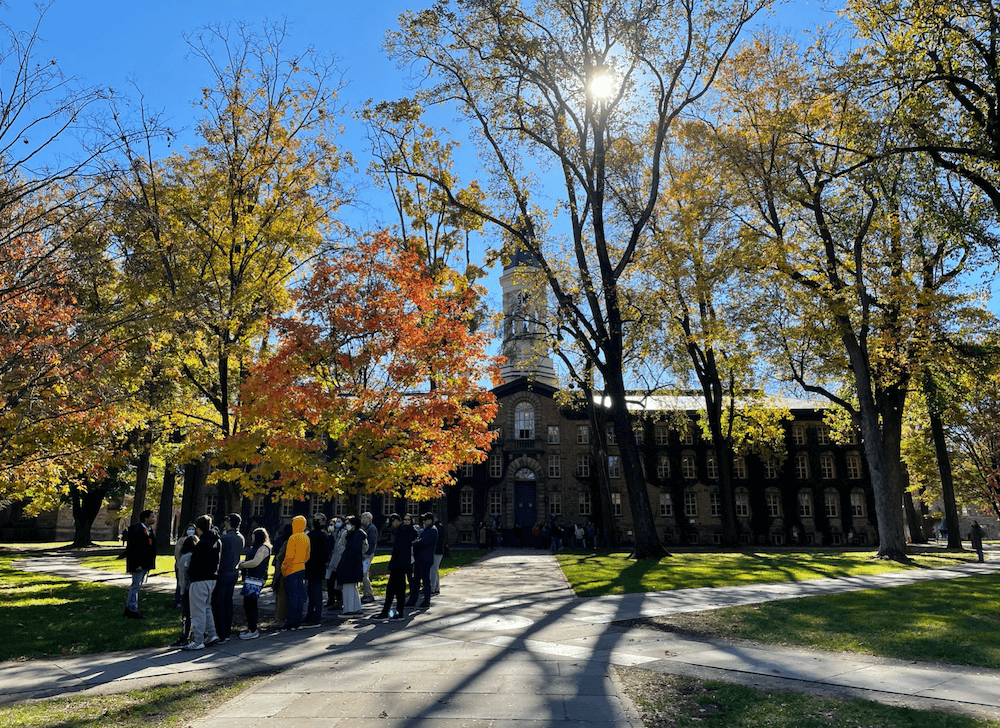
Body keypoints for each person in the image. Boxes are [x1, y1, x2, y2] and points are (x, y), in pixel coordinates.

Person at [184, 514, 222, 650]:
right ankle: (212, 634)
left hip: (199, 579)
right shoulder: (216, 541)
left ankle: (198, 640)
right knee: (206, 608)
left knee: (198, 611)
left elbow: (196, 561)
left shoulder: (202, 543)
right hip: (212, 578)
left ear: (199, 529)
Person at [212, 513, 245, 642]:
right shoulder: (241, 537)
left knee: (219, 603)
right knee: (228, 602)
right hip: (233, 572)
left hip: (223, 573)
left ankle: (220, 631)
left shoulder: (224, 538)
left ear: (229, 522)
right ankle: (227, 630)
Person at [375, 513, 414, 620]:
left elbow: (398, 550)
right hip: (401, 564)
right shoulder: (405, 530)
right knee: (398, 589)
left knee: (392, 589)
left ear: (395, 521)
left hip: (398, 564)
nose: (392, 526)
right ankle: (396, 611)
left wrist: (393, 564)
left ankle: (387, 611)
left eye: (392, 523)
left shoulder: (402, 531)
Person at [237, 527, 271, 639]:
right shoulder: (257, 547)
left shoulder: (264, 548)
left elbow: (256, 562)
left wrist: (243, 564)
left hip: (256, 579)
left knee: (250, 604)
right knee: (248, 604)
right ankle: (251, 628)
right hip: (251, 578)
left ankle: (253, 630)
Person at [123, 509, 157, 619]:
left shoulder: (149, 530)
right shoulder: (137, 530)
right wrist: (137, 564)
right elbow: (133, 549)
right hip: (138, 564)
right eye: (152, 517)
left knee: (137, 586)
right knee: (135, 586)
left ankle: (129, 607)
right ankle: (132, 609)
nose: (154, 519)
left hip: (145, 563)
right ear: (146, 519)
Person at [280, 514, 310, 630]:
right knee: (299, 596)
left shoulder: (293, 538)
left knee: (292, 596)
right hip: (301, 568)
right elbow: (307, 555)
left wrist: (284, 568)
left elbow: (288, 556)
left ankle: (290, 621)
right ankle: (297, 621)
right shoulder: (306, 537)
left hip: (291, 569)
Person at [337, 515, 367, 617]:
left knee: (348, 586)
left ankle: (349, 609)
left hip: (349, 563)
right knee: (353, 587)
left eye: (349, 523)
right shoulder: (359, 534)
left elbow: (351, 549)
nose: (347, 525)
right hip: (355, 563)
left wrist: (344, 552)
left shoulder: (354, 535)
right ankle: (357, 608)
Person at [407, 512, 437, 609]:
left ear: (430, 520)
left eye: (425, 519)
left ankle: (426, 601)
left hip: (425, 558)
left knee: (425, 580)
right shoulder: (427, 530)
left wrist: (413, 543)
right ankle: (413, 600)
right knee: (416, 580)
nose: (423, 521)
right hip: (420, 558)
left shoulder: (432, 530)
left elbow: (422, 542)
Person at [171, 534, 197, 646]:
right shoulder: (197, 556)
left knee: (186, 614)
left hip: (187, 589)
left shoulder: (185, 558)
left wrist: (181, 591)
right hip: (197, 587)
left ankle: (185, 635)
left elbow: (182, 577)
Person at [304, 513, 330, 626]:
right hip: (317, 567)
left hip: (315, 566)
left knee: (315, 592)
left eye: (317, 520)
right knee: (313, 592)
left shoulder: (312, 535)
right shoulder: (323, 535)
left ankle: (315, 616)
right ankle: (311, 614)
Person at [271, 524, 293, 624]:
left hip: (281, 570)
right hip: (291, 569)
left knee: (281, 595)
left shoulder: (282, 540)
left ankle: (280, 617)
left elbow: (278, 555)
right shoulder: (293, 540)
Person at [173, 522, 196, 609]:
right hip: (181, 564)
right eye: (189, 529)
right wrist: (179, 564)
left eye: (192, 529)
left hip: (191, 565)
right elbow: (177, 553)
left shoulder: (196, 539)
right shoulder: (181, 540)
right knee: (180, 583)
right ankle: (178, 601)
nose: (191, 531)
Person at [326, 517, 347, 609]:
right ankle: (331, 599)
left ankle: (338, 601)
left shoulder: (343, 532)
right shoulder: (333, 533)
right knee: (330, 581)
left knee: (337, 582)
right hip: (332, 560)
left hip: (338, 559)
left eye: (339, 522)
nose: (337, 523)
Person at [360, 511, 379, 604]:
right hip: (365, 554)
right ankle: (366, 593)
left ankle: (369, 594)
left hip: (367, 555)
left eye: (364, 518)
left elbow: (372, 543)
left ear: (368, 518)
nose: (362, 519)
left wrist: (366, 553)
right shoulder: (365, 528)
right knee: (364, 574)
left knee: (364, 574)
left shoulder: (371, 529)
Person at [429, 517, 445, 595]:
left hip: (437, 551)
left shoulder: (437, 527)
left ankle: (432, 588)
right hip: (438, 551)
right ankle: (436, 587)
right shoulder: (438, 526)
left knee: (433, 569)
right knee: (435, 570)